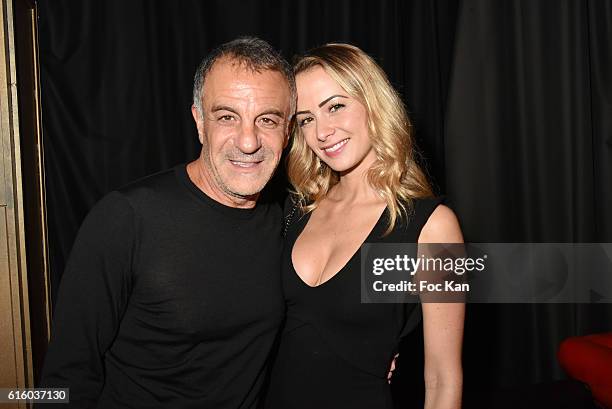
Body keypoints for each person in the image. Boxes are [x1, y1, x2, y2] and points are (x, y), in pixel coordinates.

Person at [39, 37, 295, 409]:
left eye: (267, 120)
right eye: (227, 116)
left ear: (287, 131)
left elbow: (371, 271)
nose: (248, 140)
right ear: (199, 122)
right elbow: (62, 381)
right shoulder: (126, 218)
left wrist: (378, 342)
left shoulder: (290, 220)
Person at [264, 44, 464, 409]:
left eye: (335, 106)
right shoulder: (296, 210)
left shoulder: (432, 227)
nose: (322, 131)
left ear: (373, 103)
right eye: (306, 119)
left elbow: (442, 379)